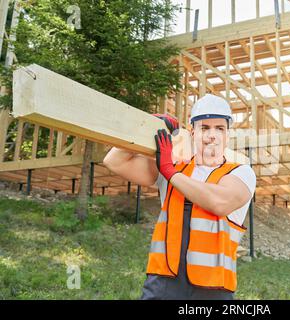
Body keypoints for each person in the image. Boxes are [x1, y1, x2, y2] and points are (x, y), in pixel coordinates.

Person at [103, 94, 256, 300]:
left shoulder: (240, 173)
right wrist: (145, 127)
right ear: (193, 133)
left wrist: (170, 172)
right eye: (204, 128)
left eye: (219, 128)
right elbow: (114, 161)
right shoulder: (173, 166)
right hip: (164, 281)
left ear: (227, 135)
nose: (212, 135)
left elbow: (220, 202)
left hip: (213, 288)